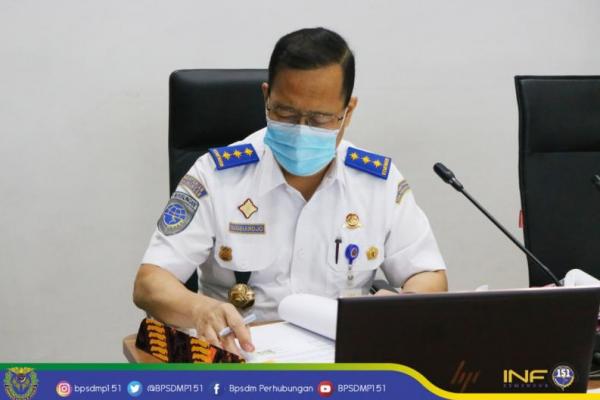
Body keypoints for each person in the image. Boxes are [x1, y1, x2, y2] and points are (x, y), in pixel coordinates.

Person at [133, 27, 447, 356]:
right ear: (266, 97)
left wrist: (403, 305)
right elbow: (149, 283)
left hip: (345, 364)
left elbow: (427, 273)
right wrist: (199, 309)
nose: (300, 130)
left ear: (348, 112)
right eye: (285, 112)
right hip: (242, 361)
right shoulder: (216, 175)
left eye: (319, 118)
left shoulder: (377, 183)